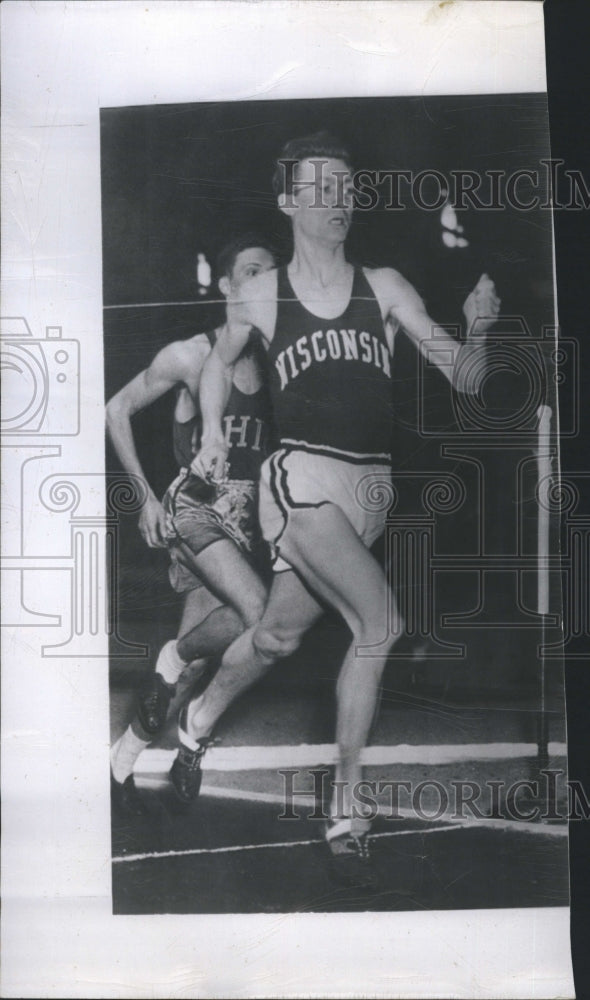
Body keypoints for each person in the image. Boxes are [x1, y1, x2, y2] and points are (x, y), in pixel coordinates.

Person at [190, 130, 500, 885]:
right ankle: (346, 809)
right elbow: (215, 365)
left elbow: (467, 380)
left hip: (369, 493)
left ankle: (194, 721)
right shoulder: (262, 293)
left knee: (276, 640)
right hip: (300, 481)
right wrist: (207, 436)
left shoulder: (385, 285)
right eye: (321, 186)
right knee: (380, 622)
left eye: (348, 185)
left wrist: (482, 327)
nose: (340, 199)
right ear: (289, 201)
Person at [107, 234, 277, 814]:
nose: (265, 282)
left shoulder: (281, 363)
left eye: (272, 272)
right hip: (195, 514)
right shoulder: (190, 355)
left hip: (247, 528)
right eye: (252, 272)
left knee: (209, 655)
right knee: (256, 612)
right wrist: (144, 497)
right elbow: (116, 409)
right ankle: (189, 724)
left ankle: (123, 755)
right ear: (228, 286)